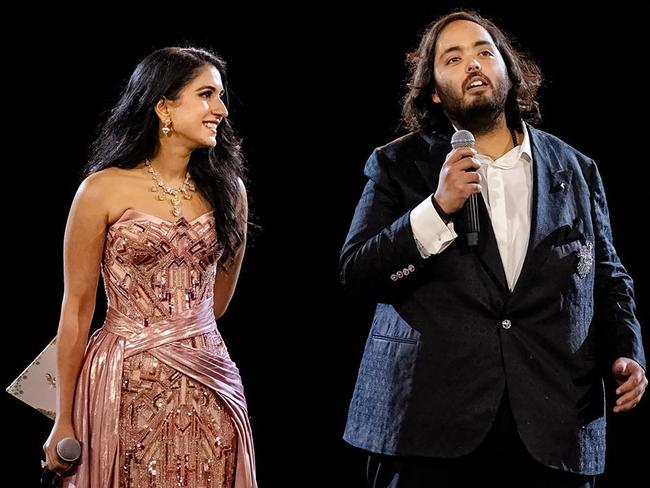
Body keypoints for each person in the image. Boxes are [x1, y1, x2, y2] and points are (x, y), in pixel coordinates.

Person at [339, 10, 647, 488]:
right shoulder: (397, 164)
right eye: (454, 57)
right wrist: (438, 208)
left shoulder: (577, 169)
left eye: (485, 52)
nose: (474, 65)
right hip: (429, 427)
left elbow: (607, 276)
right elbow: (356, 272)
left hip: (553, 425)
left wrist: (627, 351)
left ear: (509, 69)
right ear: (434, 90)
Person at [41, 47, 257, 487]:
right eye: (206, 95)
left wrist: (175, 338)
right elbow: (77, 308)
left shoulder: (230, 192)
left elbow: (215, 305)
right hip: (121, 383)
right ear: (164, 107)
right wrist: (62, 417)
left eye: (220, 96)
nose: (221, 109)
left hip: (208, 381)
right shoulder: (101, 190)